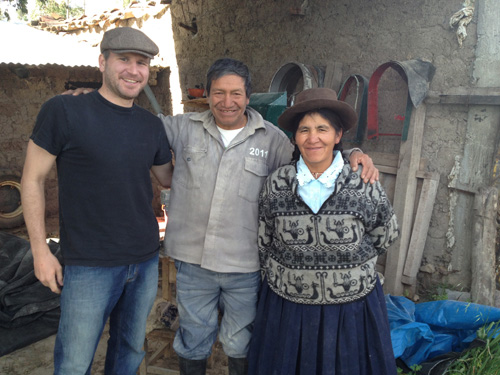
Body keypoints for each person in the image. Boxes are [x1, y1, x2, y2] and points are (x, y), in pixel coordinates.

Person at [67, 57, 379, 375]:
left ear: (247, 96)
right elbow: (132, 124)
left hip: (245, 266)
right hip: (193, 264)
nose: (227, 102)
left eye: (235, 94)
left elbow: (311, 157)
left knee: (240, 341)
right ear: (208, 94)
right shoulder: (181, 128)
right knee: (192, 338)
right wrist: (97, 102)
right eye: (218, 92)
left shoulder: (271, 139)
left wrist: (351, 153)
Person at [21, 27, 173, 375]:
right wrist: (40, 252)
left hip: (145, 259)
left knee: (130, 351)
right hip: (89, 263)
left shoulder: (151, 126)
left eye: (142, 62)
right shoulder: (64, 110)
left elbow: (168, 178)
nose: (133, 70)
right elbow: (32, 179)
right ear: (102, 61)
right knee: (75, 361)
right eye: (124, 60)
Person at [247, 87, 399, 375]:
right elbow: (265, 239)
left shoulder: (362, 182)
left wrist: (346, 268)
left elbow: (385, 233)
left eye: (322, 129)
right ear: (294, 137)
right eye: (304, 130)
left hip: (351, 310)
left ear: (338, 135)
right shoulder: (277, 184)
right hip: (288, 308)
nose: (312, 138)